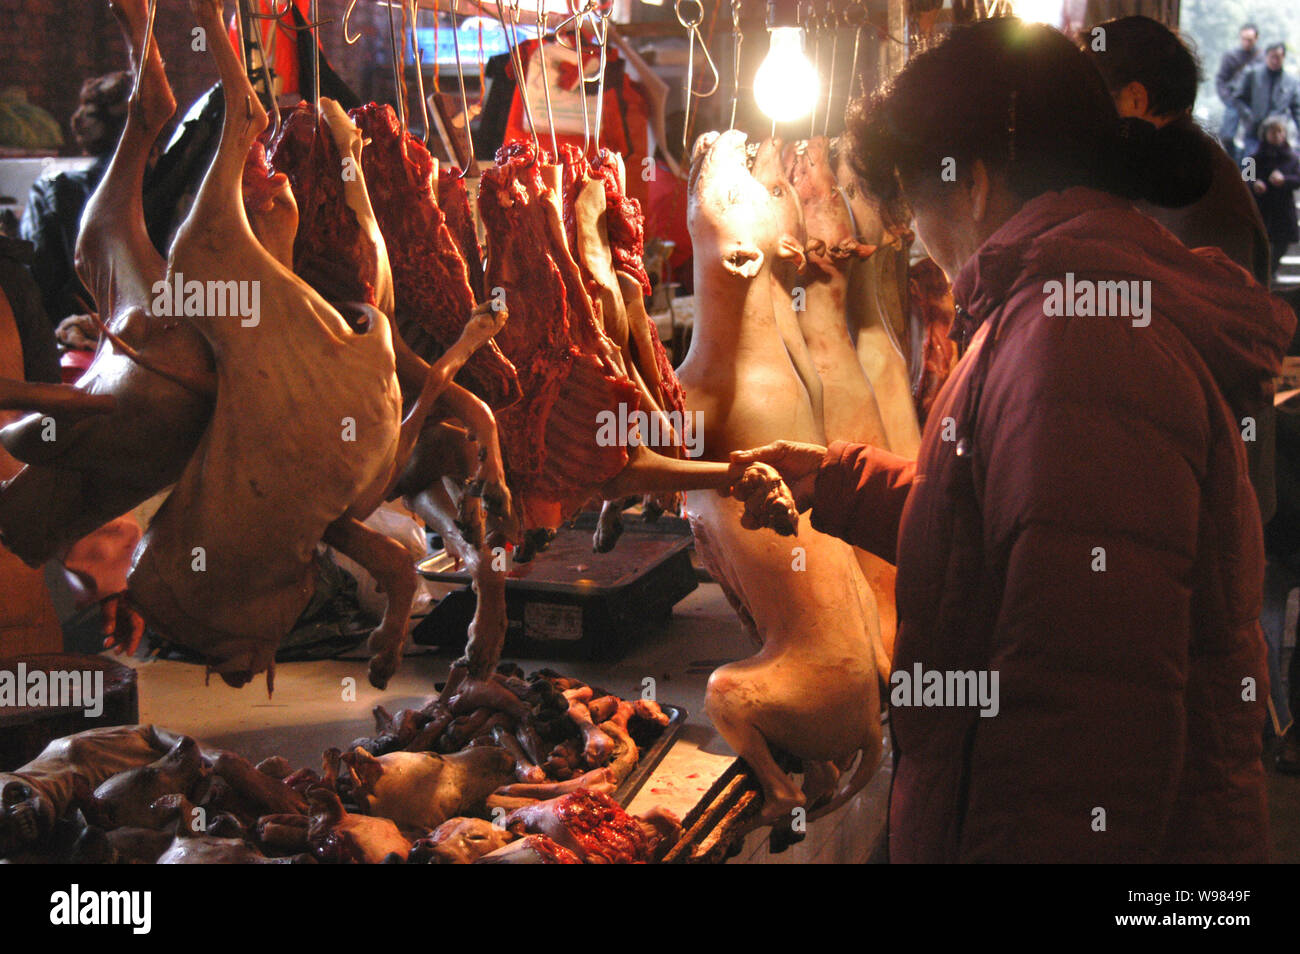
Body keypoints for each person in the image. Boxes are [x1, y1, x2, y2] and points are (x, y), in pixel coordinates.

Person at [728, 16, 1290, 862]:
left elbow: (1083, 721)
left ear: (974, 184)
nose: (913, 232)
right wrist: (838, 482)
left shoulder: (1079, 339)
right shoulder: (1057, 305)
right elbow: (1016, 529)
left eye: (914, 198)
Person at [19, 72, 130, 330]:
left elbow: (38, 279)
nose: (76, 120)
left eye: (89, 114)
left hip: (73, 325)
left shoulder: (54, 190)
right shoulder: (175, 182)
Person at [1249, 116, 1300, 281]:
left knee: (1282, 242)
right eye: (1273, 131)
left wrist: (1285, 180)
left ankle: (1272, 269)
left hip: (1283, 207)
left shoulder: (1293, 158)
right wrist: (1255, 183)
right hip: (1263, 206)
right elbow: (1244, 177)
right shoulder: (1253, 157)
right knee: (1261, 241)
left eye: (1280, 131)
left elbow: (1298, 179)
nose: (1277, 135)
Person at [1235, 42, 1300, 158]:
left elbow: (1297, 109)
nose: (1275, 61)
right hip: (1254, 131)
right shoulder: (1252, 75)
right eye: (1272, 57)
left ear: (1283, 57)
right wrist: (1249, 116)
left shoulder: (1291, 82)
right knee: (1249, 166)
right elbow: (1238, 99)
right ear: (1266, 56)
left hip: (1279, 135)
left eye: (1278, 57)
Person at [1216, 22, 1260, 159]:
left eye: (1250, 40)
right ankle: (1233, 168)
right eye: (1244, 39)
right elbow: (1221, 79)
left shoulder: (1262, 58)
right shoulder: (1231, 56)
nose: (1246, 42)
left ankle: (1248, 177)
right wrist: (1227, 98)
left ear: (1256, 39)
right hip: (1233, 101)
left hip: (1252, 105)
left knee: (1252, 144)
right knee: (1227, 137)